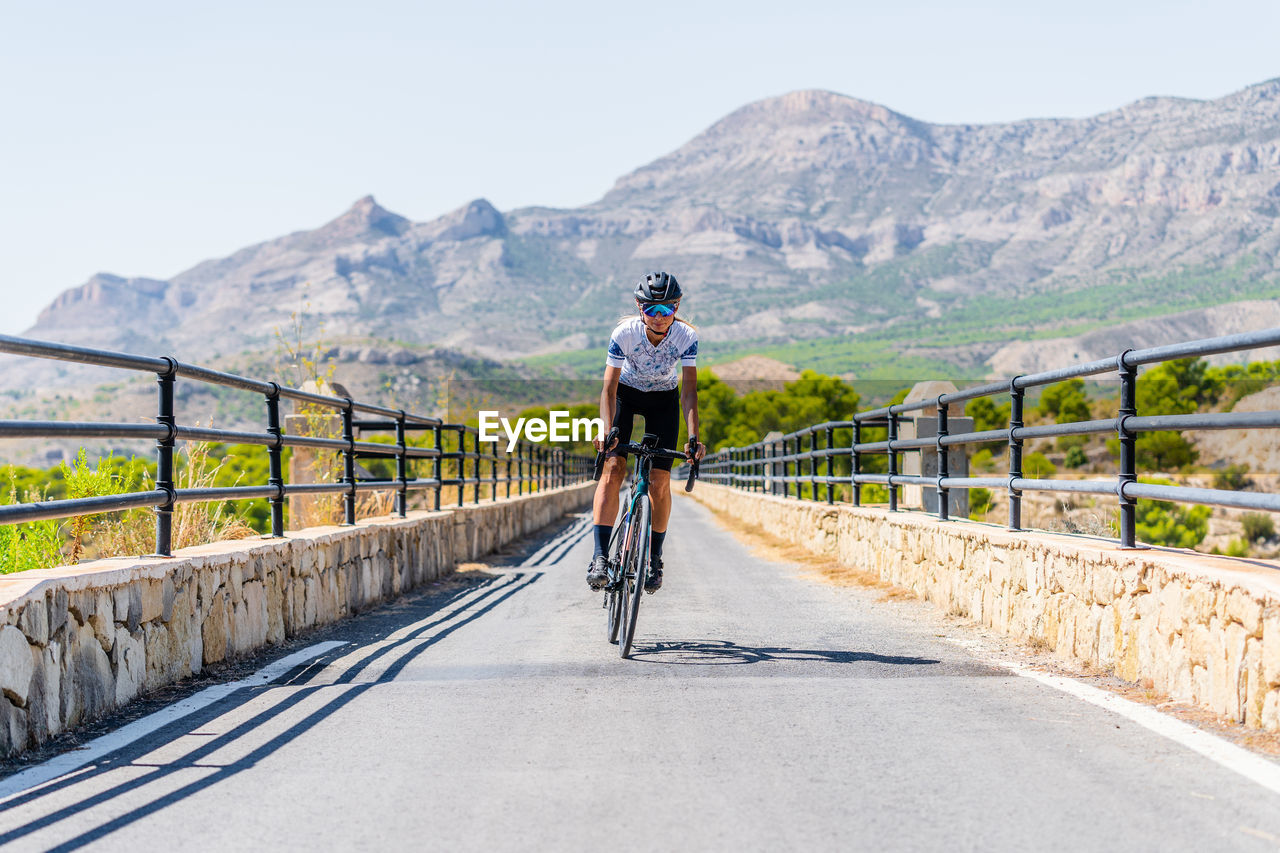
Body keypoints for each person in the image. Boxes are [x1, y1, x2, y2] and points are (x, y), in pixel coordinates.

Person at [587, 271, 705, 593]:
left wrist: (693, 438)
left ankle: (654, 558)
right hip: (626, 393)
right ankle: (600, 557)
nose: (659, 317)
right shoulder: (624, 333)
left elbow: (689, 392)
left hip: (663, 400)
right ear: (640, 308)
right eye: (651, 309)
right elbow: (608, 390)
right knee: (614, 467)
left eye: (666, 310)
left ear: (676, 308)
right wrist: (606, 429)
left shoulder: (686, 337)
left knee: (660, 480)